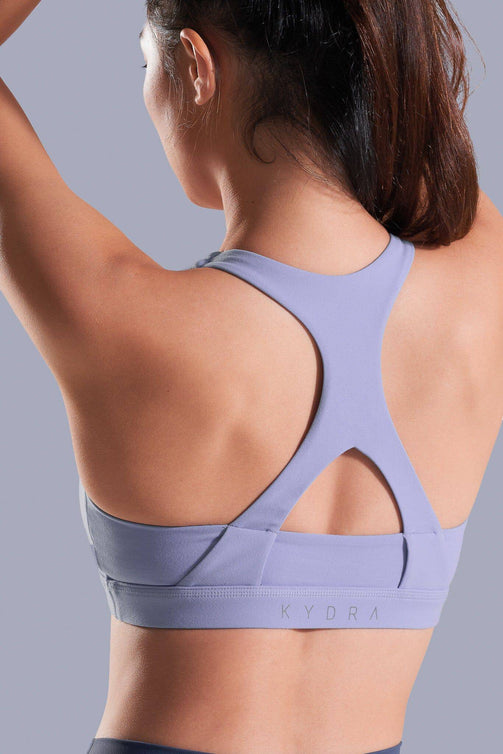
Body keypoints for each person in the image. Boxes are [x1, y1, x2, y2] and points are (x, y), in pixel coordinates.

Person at [1, 1, 502, 753]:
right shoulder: (483, 296)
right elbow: (409, 106)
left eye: (146, 61)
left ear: (195, 67)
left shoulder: (124, 317)